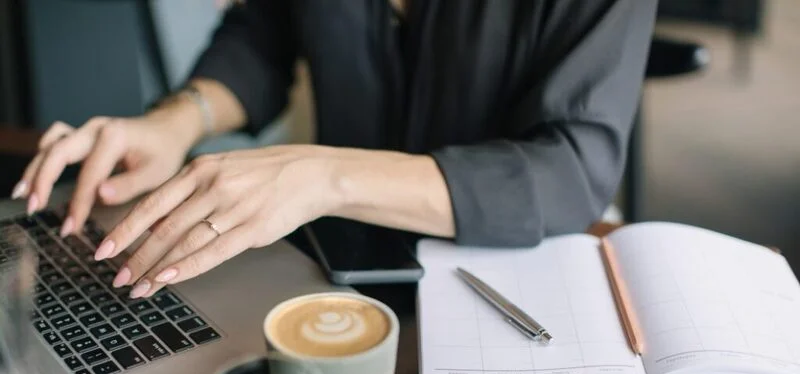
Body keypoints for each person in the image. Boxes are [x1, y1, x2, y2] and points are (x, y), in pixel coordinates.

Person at [15, 0, 656, 299]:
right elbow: (266, 34)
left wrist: (325, 175)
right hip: (339, 262)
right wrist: (179, 122)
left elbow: (571, 168)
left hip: (516, 272)